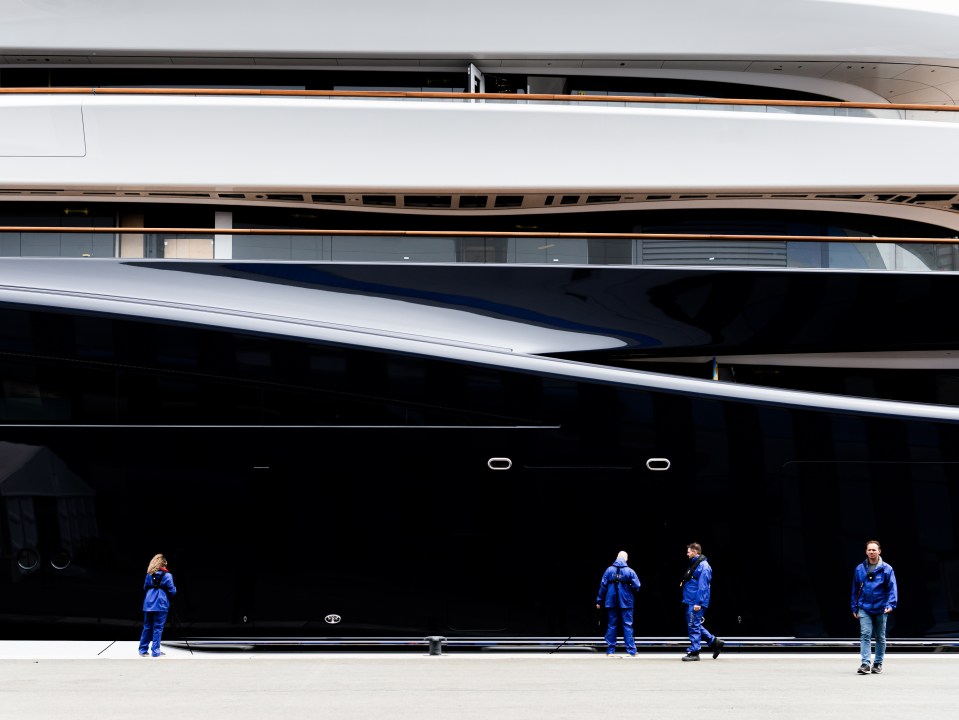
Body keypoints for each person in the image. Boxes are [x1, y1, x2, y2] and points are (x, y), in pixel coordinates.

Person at [851, 539, 898, 675]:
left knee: (880, 636)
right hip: (864, 607)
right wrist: (854, 607)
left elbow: (892, 588)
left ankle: (878, 663)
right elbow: (855, 589)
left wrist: (891, 604)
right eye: (869, 550)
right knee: (865, 634)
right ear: (866, 552)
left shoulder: (887, 569)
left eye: (874, 550)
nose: (871, 552)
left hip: (881, 607)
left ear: (879, 551)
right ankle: (865, 663)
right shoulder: (860, 569)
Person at [680, 543, 723, 661]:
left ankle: (695, 652)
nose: (687, 553)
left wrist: (698, 603)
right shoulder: (696, 564)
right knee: (694, 623)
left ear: (695, 552)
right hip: (691, 600)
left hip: (696, 601)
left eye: (689, 551)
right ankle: (715, 642)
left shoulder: (704, 566)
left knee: (693, 624)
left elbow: (703, 587)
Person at [595, 550, 641, 657]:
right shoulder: (630, 571)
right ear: (626, 559)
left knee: (612, 625)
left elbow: (603, 587)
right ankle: (631, 651)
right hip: (626, 601)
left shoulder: (609, 570)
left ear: (617, 558)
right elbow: (637, 586)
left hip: (611, 601)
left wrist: (599, 601)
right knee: (627, 625)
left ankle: (610, 651)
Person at [138, 553, 177, 658]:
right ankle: (155, 651)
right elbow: (172, 591)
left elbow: (145, 587)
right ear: (163, 564)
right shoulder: (168, 575)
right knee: (158, 628)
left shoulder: (149, 574)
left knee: (147, 627)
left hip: (148, 603)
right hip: (161, 603)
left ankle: (142, 650)